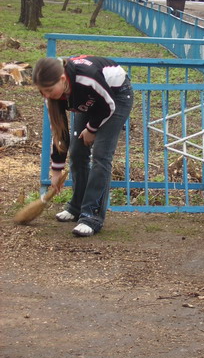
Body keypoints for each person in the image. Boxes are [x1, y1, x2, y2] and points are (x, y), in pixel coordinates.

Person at [32, 55, 133, 237]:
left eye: (48, 90)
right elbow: (60, 133)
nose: (46, 95)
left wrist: (92, 128)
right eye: (42, 91)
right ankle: (76, 207)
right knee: (78, 152)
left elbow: (108, 106)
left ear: (62, 79)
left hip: (115, 97)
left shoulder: (87, 78)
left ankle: (91, 216)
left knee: (101, 156)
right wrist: (56, 171)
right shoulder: (53, 94)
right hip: (89, 100)